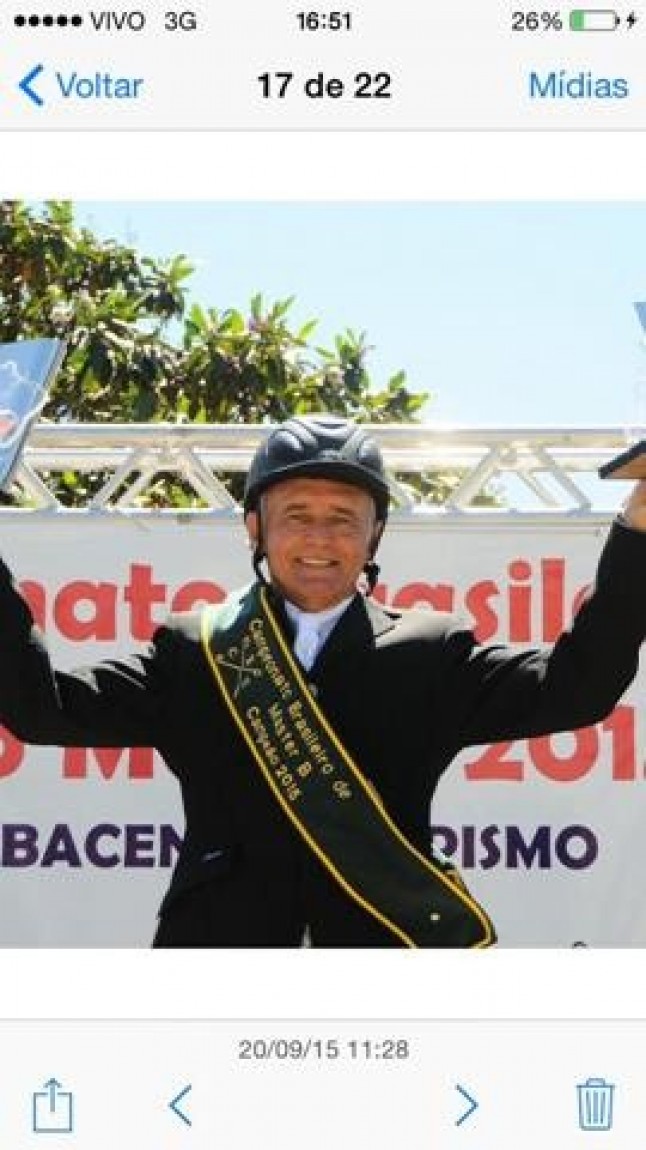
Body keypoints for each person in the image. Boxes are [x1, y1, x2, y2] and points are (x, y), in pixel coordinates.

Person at [1, 413, 646, 948]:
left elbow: (578, 688)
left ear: (375, 533)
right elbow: (40, 708)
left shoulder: (430, 652)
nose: (319, 538)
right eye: (296, 515)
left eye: (343, 517)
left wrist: (637, 531)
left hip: (384, 961)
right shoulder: (194, 651)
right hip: (219, 963)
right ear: (254, 527)